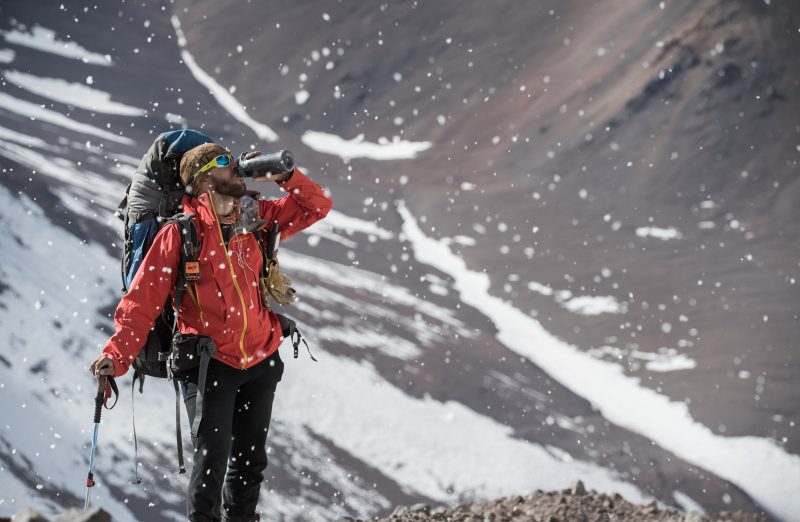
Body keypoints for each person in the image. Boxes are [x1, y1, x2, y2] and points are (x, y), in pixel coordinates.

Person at [89, 142, 333, 521]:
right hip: (208, 366)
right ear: (203, 182)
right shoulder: (179, 236)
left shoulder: (253, 216)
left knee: (250, 462)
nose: (234, 166)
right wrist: (116, 355)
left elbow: (316, 207)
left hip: (261, 358)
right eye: (223, 162)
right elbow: (142, 301)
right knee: (211, 465)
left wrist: (286, 177)